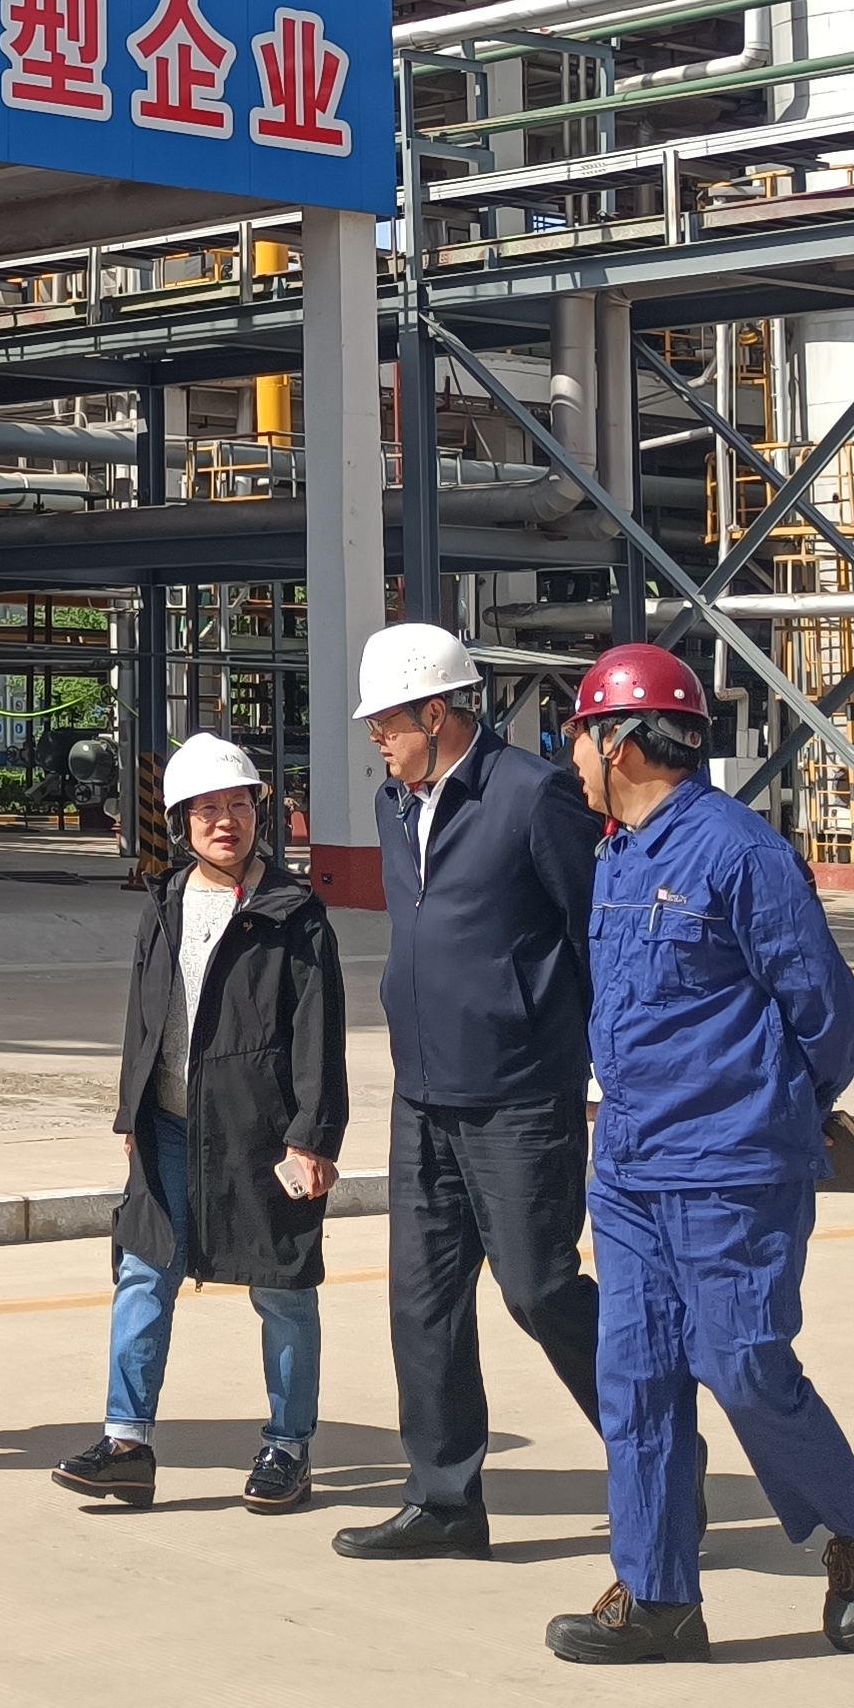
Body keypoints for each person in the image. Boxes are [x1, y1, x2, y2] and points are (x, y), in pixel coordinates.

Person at [548, 642, 854, 1664]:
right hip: (631, 1167)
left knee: (742, 1363)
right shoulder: (617, 858)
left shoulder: (739, 854)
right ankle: (658, 1596)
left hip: (730, 1167)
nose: (570, 756)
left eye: (578, 735)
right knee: (636, 1380)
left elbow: (827, 1017)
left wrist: (772, 1114)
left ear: (620, 742)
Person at [328, 621, 607, 1566]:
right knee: (423, 1302)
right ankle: (444, 1499)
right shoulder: (392, 806)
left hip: (520, 1095)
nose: (376, 738)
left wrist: (598, 1070)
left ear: (438, 713)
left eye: (387, 721)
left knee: (539, 1288)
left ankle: (658, 1449)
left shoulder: (532, 796)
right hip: (423, 1095)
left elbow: (593, 936)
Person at [58, 732, 347, 1515]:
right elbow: (143, 1015)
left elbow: (319, 1035)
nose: (225, 822)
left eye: (238, 806)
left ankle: (288, 1448)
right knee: (143, 1271)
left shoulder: (293, 914)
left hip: (263, 1134)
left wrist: (314, 1135)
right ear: (181, 822)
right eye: (207, 809)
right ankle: (127, 1444)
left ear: (258, 814)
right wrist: (132, 1108)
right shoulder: (164, 904)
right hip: (169, 1128)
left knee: (283, 1288)